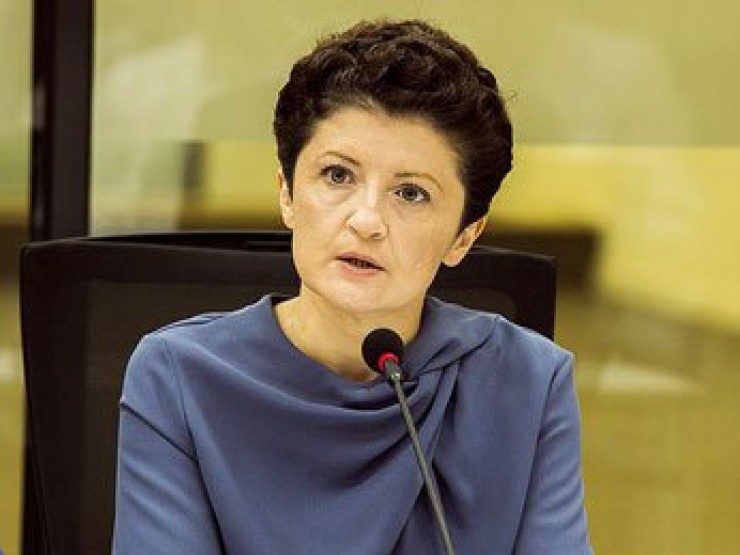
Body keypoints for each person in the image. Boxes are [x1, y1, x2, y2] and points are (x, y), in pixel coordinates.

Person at [113, 19, 593, 554]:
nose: (366, 221)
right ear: (287, 194)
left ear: (464, 236)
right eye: (338, 176)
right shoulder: (179, 376)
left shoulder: (530, 382)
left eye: (411, 194)